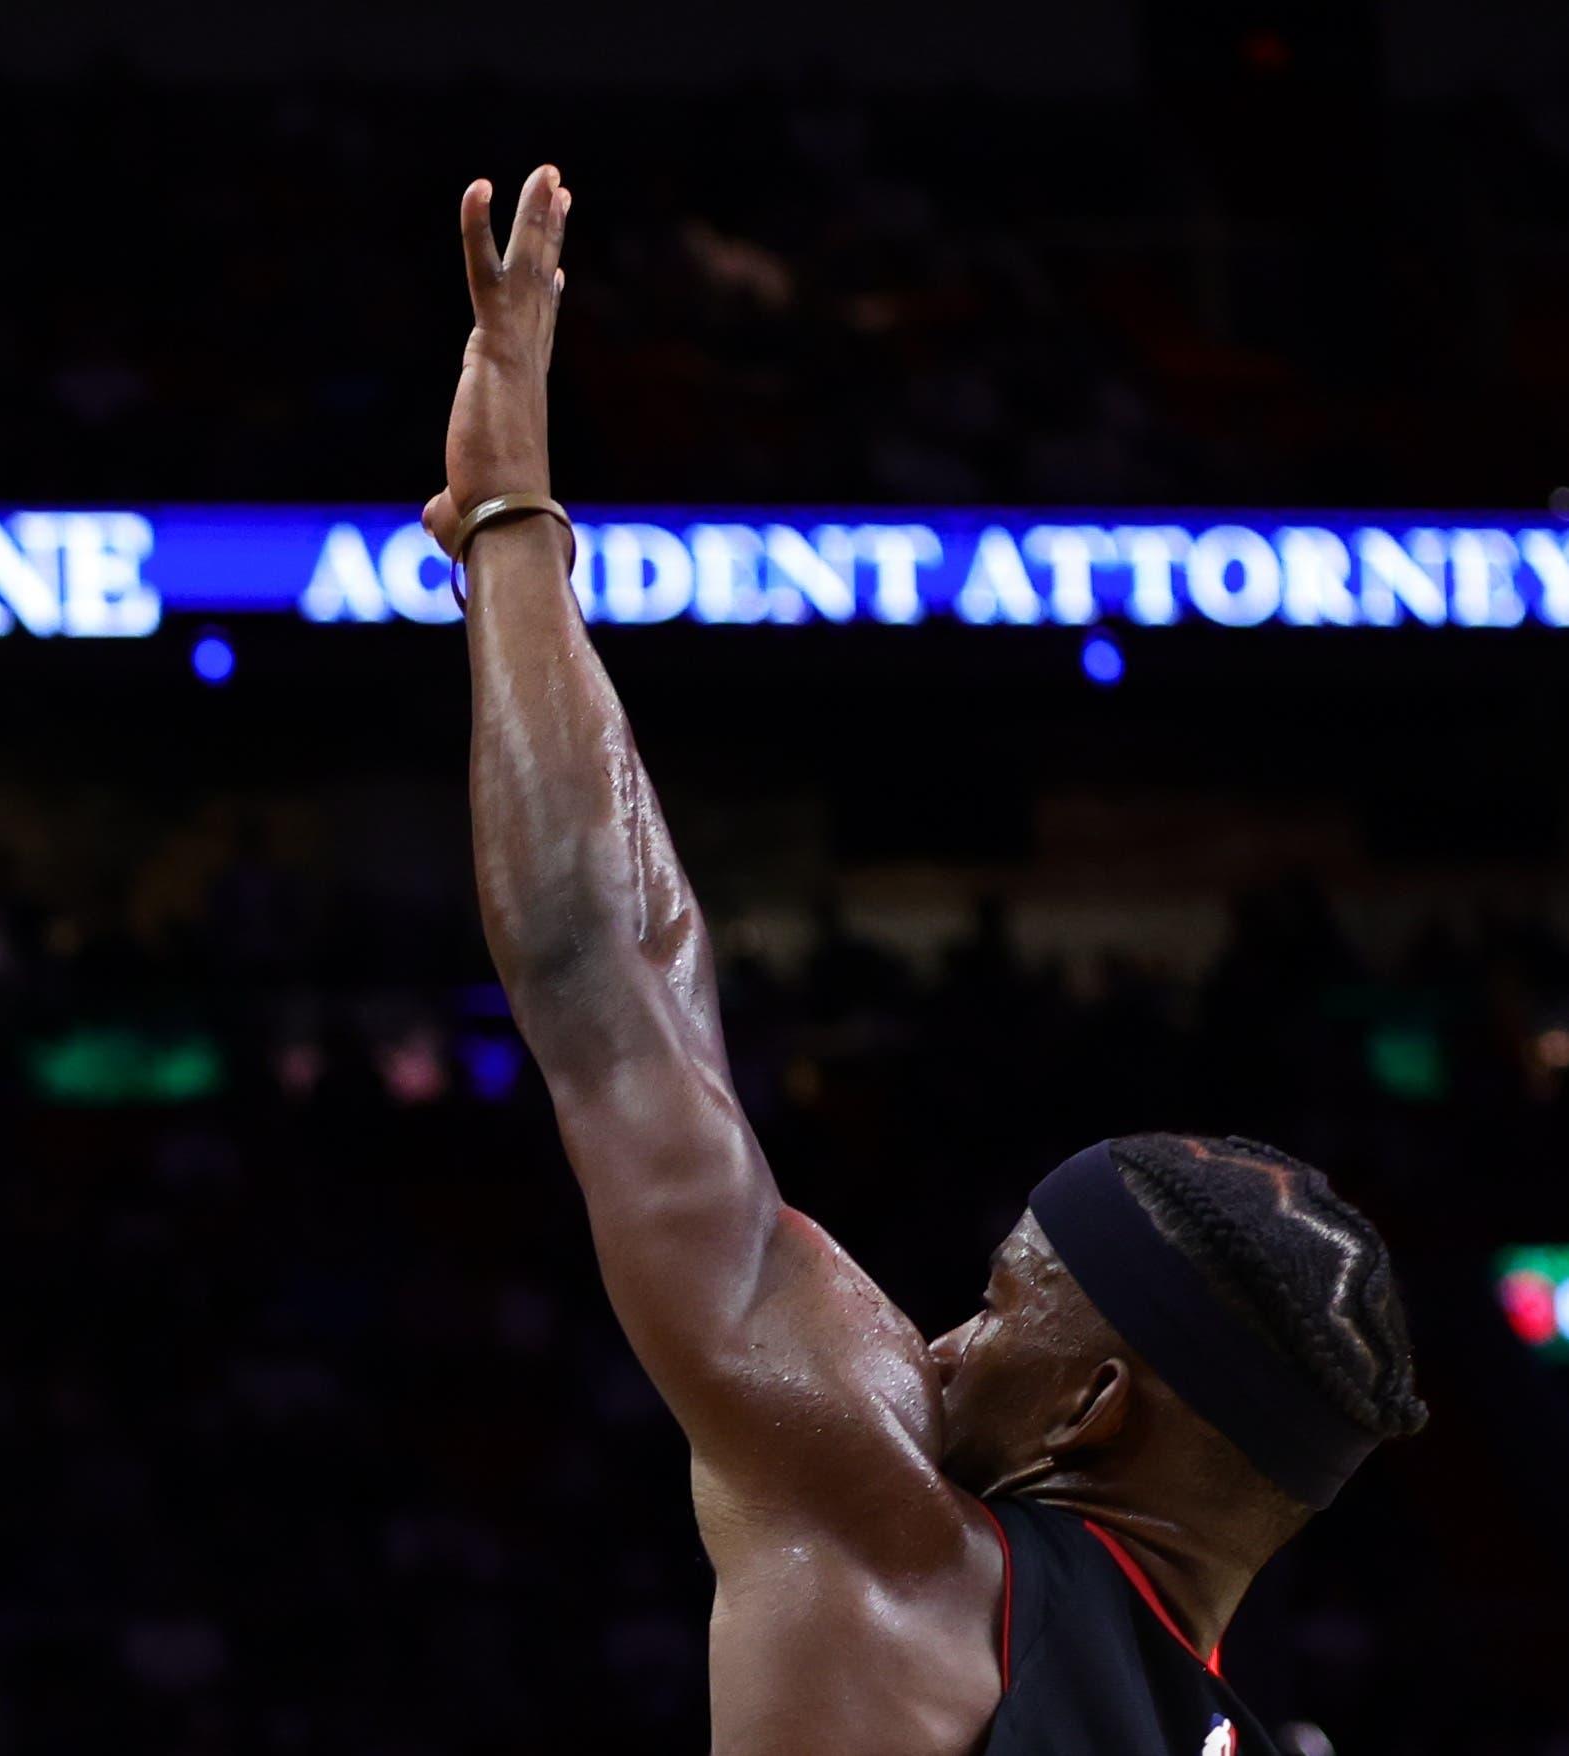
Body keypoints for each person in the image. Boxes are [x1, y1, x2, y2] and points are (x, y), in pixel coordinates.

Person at [436, 166, 1426, 1756]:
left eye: (993, 1307)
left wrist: (506, 520)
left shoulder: (906, 1574)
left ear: (1089, 1412)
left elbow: (604, 985)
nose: (942, 1342)